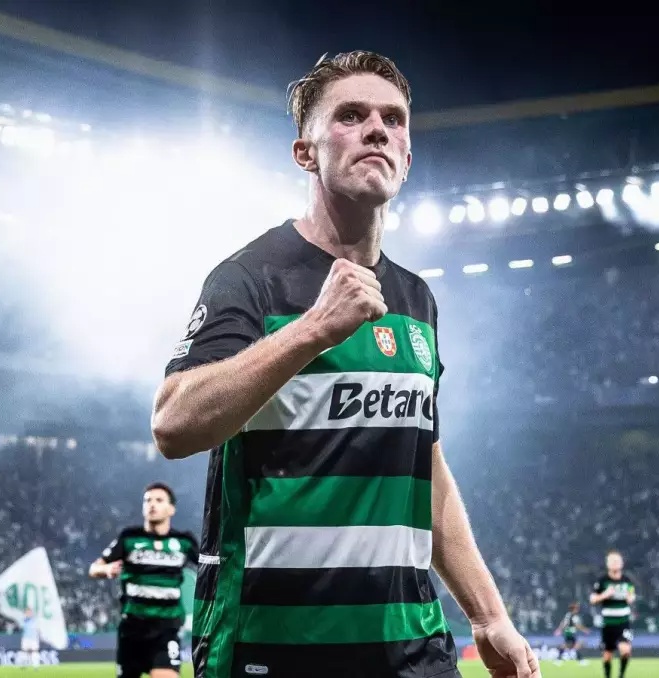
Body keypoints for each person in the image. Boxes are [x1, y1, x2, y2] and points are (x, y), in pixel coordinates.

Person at [152, 50, 538, 678]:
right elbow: (173, 425)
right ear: (305, 153)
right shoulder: (249, 278)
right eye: (351, 116)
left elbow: (423, 465)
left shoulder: (416, 299)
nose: (377, 129)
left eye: (393, 119)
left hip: (412, 646)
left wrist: (488, 615)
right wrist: (312, 330)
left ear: (407, 159)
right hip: (275, 643)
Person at [89, 482, 197, 678]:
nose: (152, 504)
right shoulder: (129, 537)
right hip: (132, 629)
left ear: (171, 509)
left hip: (166, 628)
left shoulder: (184, 541)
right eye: (147, 500)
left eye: (159, 500)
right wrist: (106, 569)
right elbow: (94, 568)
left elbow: (209, 567)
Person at [589, 551, 635, 678]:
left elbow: (632, 595)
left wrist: (630, 597)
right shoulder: (602, 581)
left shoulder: (627, 580)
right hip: (608, 623)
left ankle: (621, 675)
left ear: (622, 563)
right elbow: (592, 599)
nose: (615, 563)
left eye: (617, 561)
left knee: (625, 650)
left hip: (624, 622)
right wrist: (605, 595)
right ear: (607, 564)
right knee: (607, 655)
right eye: (612, 561)